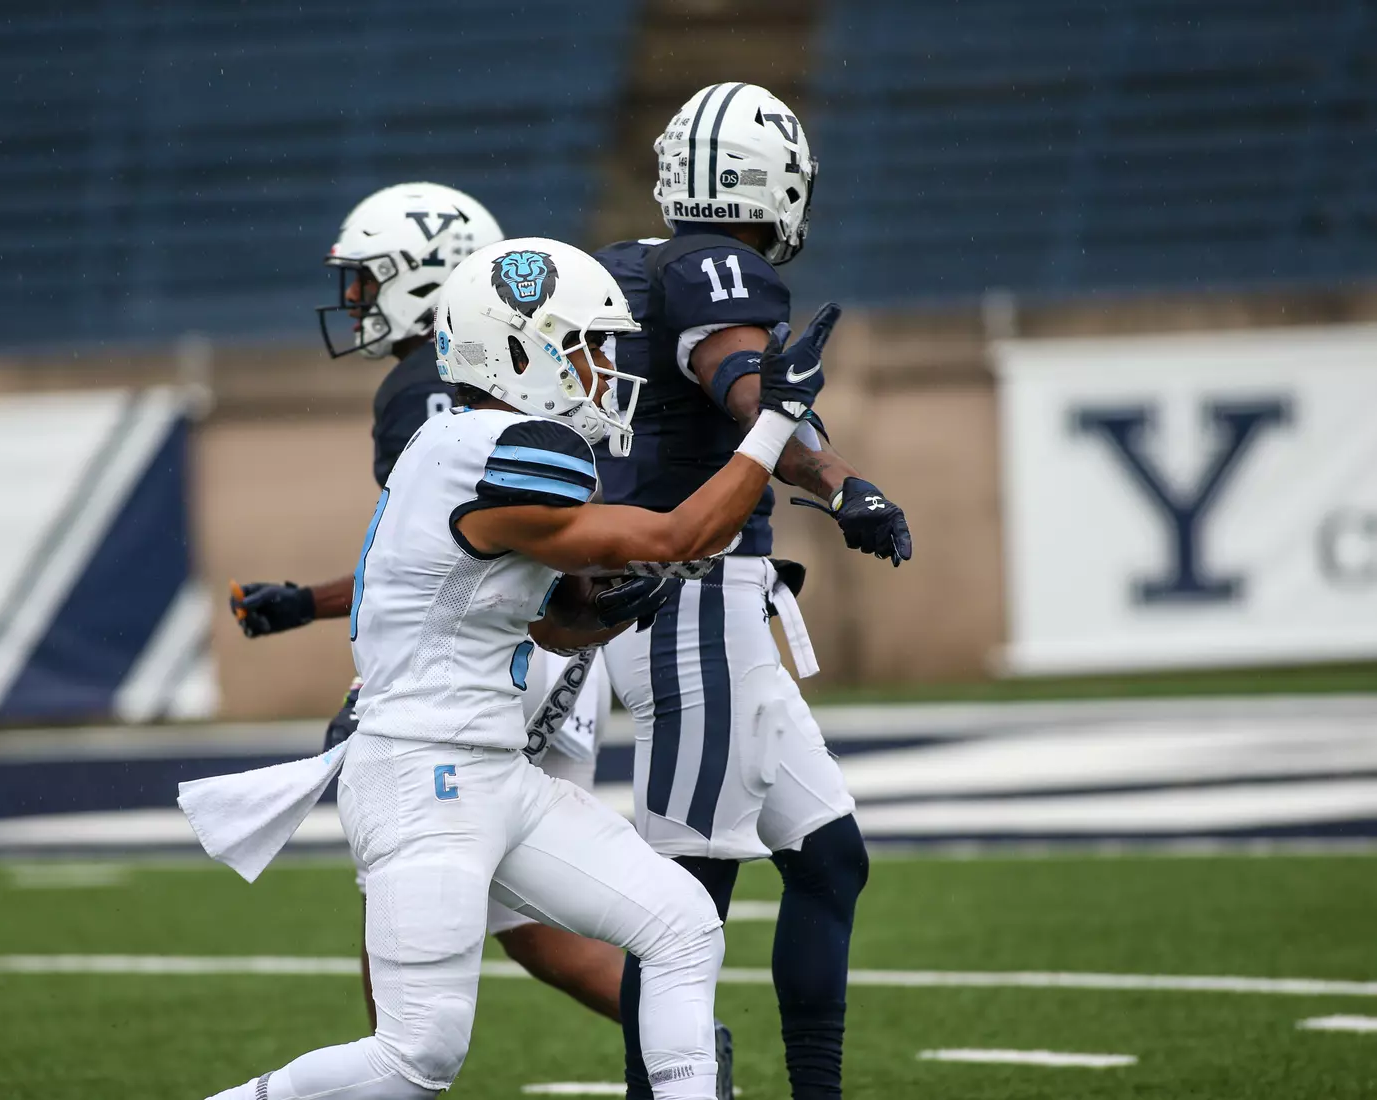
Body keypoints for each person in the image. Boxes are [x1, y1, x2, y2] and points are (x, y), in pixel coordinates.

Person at [204, 235, 838, 1100]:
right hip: (422, 776)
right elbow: (674, 535)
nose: (602, 370)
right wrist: (772, 425)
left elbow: (545, 631)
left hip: (487, 769)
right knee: (415, 1058)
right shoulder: (503, 449)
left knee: (682, 924)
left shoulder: (465, 444)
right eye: (583, 345)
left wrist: (593, 616)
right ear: (515, 350)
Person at [229, 182, 627, 1025]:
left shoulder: (424, 389)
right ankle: (683, 1034)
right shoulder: (527, 374)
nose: (354, 302)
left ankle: (392, 1066)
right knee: (523, 914)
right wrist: (307, 602)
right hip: (560, 645)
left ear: (424, 277)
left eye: (368, 280)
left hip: (492, 660)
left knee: (400, 862)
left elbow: (439, 564)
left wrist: (315, 611)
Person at [592, 83, 914, 1100]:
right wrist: (837, 478)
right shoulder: (715, 265)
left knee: (829, 860)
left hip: (699, 601)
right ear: (764, 178)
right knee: (682, 899)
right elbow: (749, 386)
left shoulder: (629, 265)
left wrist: (832, 478)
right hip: (691, 605)